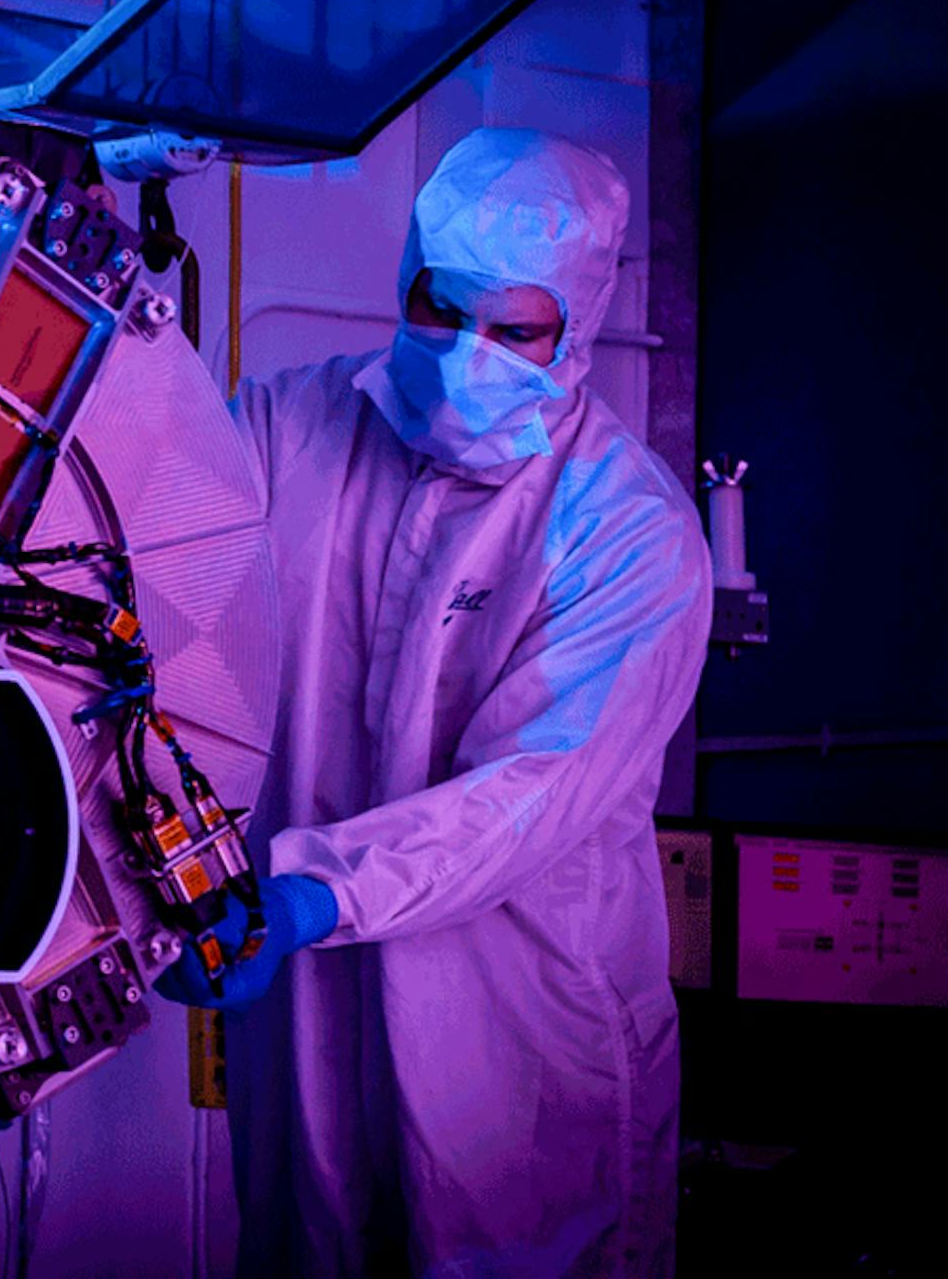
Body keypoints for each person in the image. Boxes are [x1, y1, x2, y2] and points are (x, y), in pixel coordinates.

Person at [156, 128, 713, 1277]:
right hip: (314, 1013)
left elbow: (527, 793)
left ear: (579, 326)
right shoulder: (288, 430)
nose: (467, 355)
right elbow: (152, 579)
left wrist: (311, 894)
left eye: (515, 332)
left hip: (516, 1022)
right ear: (404, 281)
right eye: (439, 310)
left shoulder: (628, 532)